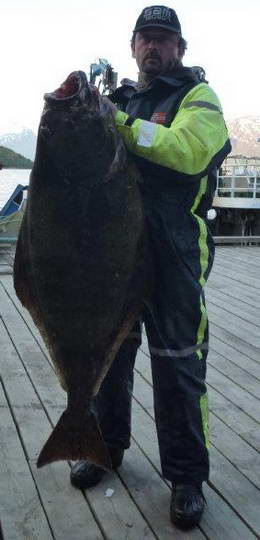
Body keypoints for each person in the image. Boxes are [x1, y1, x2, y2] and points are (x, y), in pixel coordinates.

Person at [70, 5, 231, 530]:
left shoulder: (198, 98)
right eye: (146, 39)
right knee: (110, 355)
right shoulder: (115, 101)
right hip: (113, 256)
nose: (154, 47)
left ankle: (186, 478)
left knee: (178, 364)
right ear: (133, 46)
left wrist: (115, 121)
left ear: (181, 48)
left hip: (174, 256)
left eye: (165, 40)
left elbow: (185, 152)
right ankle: (104, 449)